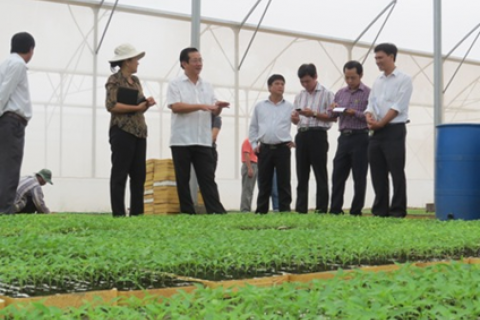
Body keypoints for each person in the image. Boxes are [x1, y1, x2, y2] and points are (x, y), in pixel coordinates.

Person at [167, 47, 229, 214]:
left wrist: (218, 108)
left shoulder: (207, 85)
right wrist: (201, 106)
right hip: (181, 139)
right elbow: (176, 106)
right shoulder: (175, 84)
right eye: (194, 60)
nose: (198, 63)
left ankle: (216, 211)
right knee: (183, 179)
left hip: (203, 139)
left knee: (207, 178)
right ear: (184, 63)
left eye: (200, 60)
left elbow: (213, 110)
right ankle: (187, 213)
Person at [105, 43, 156, 217]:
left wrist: (146, 104)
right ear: (127, 61)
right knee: (120, 173)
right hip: (121, 130)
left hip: (139, 131)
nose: (138, 63)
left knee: (138, 174)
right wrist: (135, 108)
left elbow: (139, 106)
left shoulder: (136, 82)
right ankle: (118, 213)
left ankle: (137, 213)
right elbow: (111, 105)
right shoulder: (114, 80)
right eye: (135, 60)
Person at [365, 43, 413, 218]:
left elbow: (398, 106)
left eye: (380, 58)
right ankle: (380, 209)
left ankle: (398, 209)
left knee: (396, 170)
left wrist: (381, 123)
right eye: (376, 58)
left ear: (391, 57)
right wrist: (369, 116)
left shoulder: (404, 79)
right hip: (376, 131)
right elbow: (371, 102)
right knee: (377, 170)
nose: (377, 61)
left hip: (394, 130)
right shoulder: (377, 81)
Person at [291, 64, 335, 214]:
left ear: (315, 77)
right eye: (302, 81)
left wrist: (314, 114)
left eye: (308, 81)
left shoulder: (327, 94)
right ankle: (301, 208)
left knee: (319, 173)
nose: (305, 84)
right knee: (301, 174)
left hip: (318, 134)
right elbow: (296, 121)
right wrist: (294, 118)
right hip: (302, 135)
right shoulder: (299, 96)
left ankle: (321, 208)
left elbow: (333, 117)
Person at [328, 61, 370, 216]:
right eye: (347, 78)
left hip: (361, 137)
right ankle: (335, 209)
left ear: (360, 75)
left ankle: (356, 210)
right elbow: (332, 114)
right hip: (344, 138)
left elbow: (370, 116)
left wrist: (354, 113)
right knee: (338, 173)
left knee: (359, 175)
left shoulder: (368, 93)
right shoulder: (340, 93)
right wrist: (332, 109)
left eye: (353, 77)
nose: (350, 81)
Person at [0, 32, 35, 214]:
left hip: (6, 121)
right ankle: (5, 209)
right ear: (30, 49)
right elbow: (4, 92)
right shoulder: (18, 64)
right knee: (10, 167)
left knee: (4, 165)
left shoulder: (6, 63)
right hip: (12, 121)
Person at [249, 74, 294, 214]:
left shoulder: (290, 107)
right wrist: (253, 145)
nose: (280, 86)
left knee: (284, 181)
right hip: (265, 148)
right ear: (269, 87)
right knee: (264, 181)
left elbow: (300, 122)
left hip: (283, 148)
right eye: (277, 83)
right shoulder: (260, 106)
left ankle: (285, 209)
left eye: (282, 83)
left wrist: (293, 140)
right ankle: (261, 210)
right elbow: (253, 128)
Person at [240, 138, 258, 212]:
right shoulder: (248, 141)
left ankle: (247, 208)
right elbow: (246, 153)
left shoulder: (255, 142)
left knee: (250, 189)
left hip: (255, 164)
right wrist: (249, 168)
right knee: (247, 188)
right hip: (250, 164)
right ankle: (245, 209)